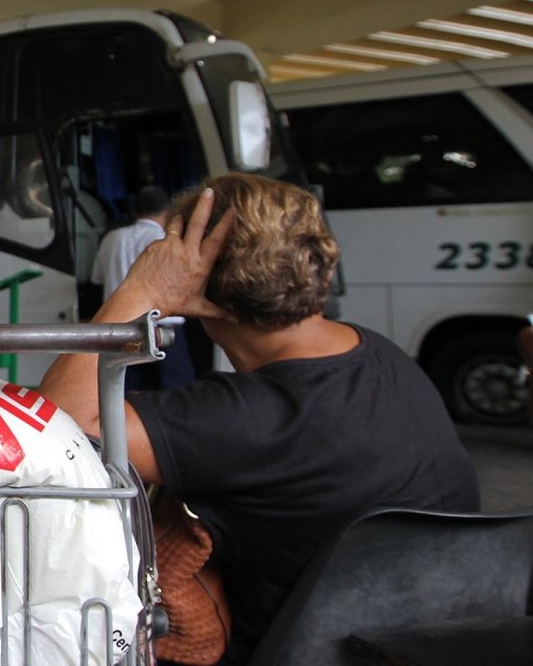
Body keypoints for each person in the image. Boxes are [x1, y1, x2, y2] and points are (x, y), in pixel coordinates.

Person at [38, 174, 479, 664]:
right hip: (435, 638)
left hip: (302, 651)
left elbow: (52, 429)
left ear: (199, 280)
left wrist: (143, 290)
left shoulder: (247, 418)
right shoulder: (383, 356)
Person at [91, 184, 194, 389]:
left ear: (135, 211)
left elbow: (97, 280)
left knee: (123, 396)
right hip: (164, 331)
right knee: (171, 395)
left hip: (121, 332)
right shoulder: (168, 241)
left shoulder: (111, 239)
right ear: (167, 212)